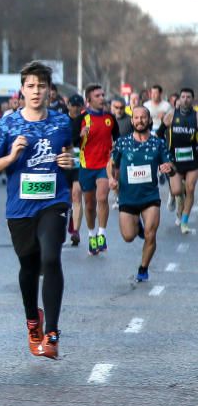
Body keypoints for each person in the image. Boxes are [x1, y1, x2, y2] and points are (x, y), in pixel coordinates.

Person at [0, 61, 73, 360]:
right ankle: (33, 321)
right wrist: (11, 156)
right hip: (20, 207)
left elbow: (69, 155)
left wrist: (70, 164)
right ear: (22, 90)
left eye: (41, 86)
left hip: (54, 201)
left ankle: (53, 333)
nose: (36, 92)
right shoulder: (8, 123)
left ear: (50, 90)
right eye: (30, 86)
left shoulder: (61, 122)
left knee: (51, 258)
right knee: (29, 267)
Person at [108, 106, 172, 283]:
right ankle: (138, 227)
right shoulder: (123, 142)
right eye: (136, 118)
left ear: (149, 120)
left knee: (151, 234)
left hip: (150, 197)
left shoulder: (158, 143)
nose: (140, 121)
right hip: (128, 197)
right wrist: (111, 178)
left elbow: (169, 164)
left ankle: (143, 268)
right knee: (128, 236)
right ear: (132, 121)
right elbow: (111, 163)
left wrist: (168, 168)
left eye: (143, 117)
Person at [77, 84, 119, 255]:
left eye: (102, 95)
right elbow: (72, 140)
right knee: (89, 204)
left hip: (105, 164)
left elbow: (117, 137)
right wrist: (79, 135)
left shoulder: (110, 118)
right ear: (88, 100)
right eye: (97, 96)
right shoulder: (82, 118)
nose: (102, 98)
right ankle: (91, 234)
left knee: (102, 198)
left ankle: (102, 234)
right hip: (86, 165)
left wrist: (116, 151)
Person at [158, 88, 198, 233]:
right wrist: (163, 152)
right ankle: (174, 196)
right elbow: (158, 134)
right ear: (179, 99)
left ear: (192, 99)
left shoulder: (196, 117)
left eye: (188, 97)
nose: (185, 99)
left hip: (192, 159)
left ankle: (184, 222)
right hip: (174, 159)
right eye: (183, 96)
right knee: (177, 190)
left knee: (190, 188)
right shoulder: (171, 115)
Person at [64, 94, 85, 246]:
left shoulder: (86, 121)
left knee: (77, 194)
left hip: (81, 162)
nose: (76, 109)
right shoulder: (62, 121)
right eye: (74, 105)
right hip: (65, 162)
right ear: (68, 105)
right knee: (66, 198)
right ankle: (67, 223)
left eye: (79, 106)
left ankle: (76, 231)